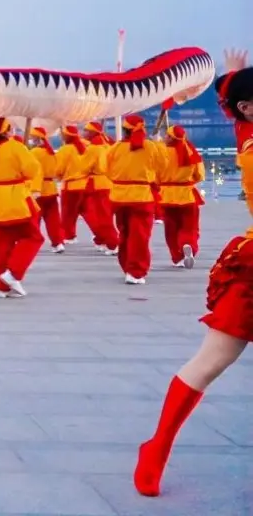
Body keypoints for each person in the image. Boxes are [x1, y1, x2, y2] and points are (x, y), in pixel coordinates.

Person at [133, 54, 251, 497]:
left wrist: (232, 78)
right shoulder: (247, 138)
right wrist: (230, 80)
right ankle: (157, 447)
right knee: (213, 360)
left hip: (157, 196)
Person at [0, 118, 43, 297]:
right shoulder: (16, 147)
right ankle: (13, 273)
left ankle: (0, 286)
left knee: (2, 245)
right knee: (33, 237)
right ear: (6, 131)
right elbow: (32, 169)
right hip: (17, 197)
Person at [107, 115, 165, 284]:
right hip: (141, 196)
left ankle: (127, 266)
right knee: (139, 235)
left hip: (118, 195)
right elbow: (162, 166)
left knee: (124, 232)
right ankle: (135, 271)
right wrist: (159, 144)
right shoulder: (150, 147)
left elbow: (107, 169)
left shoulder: (115, 148)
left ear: (124, 131)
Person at [158, 125, 205, 269]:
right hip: (187, 195)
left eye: (166, 135)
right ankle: (187, 244)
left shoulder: (161, 152)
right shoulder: (190, 151)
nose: (164, 137)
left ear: (171, 138)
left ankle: (177, 257)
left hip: (166, 195)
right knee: (190, 227)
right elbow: (200, 175)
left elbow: (153, 173)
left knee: (171, 230)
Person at [81, 121, 121, 254]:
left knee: (101, 216)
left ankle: (113, 242)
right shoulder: (109, 145)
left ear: (93, 133)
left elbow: (84, 167)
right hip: (109, 183)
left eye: (86, 130)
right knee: (105, 215)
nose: (84, 132)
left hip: (97, 184)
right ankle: (104, 239)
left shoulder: (93, 148)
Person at [28, 126, 64, 252]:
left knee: (34, 219)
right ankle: (58, 242)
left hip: (37, 190)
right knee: (53, 219)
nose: (30, 139)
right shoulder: (51, 153)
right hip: (51, 189)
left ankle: (33, 241)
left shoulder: (33, 153)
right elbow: (57, 171)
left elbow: (33, 172)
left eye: (32, 137)